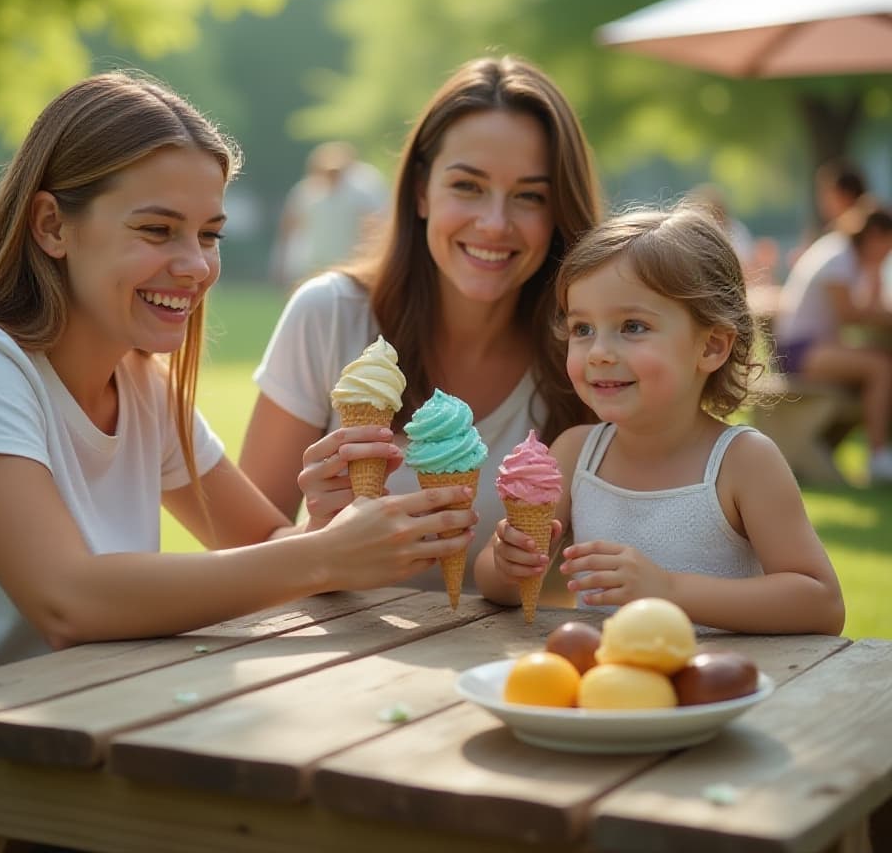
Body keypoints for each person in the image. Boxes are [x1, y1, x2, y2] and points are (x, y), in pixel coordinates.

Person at [0, 72, 478, 853]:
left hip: (62, 763)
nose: (195, 265)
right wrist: (323, 555)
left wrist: (326, 527)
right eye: (158, 230)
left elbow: (264, 548)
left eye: (209, 234)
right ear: (52, 225)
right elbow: (67, 601)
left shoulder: (140, 383)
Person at [241, 55, 603, 595]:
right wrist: (317, 536)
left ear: (559, 213)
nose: (494, 223)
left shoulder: (594, 352)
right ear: (420, 190)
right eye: (468, 186)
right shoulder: (329, 315)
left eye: (530, 196)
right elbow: (242, 557)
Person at [479, 203, 845, 635]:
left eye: (633, 326)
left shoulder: (742, 462)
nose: (599, 352)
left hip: (717, 676)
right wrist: (507, 562)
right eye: (583, 329)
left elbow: (821, 603)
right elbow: (499, 588)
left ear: (711, 346)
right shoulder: (576, 453)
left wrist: (668, 589)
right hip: (609, 675)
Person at [774, 200, 892, 483]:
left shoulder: (850, 257)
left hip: (813, 348)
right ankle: (877, 456)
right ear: (875, 235)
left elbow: (865, 310)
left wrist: (875, 273)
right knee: (880, 368)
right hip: (797, 352)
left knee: (880, 362)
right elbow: (850, 314)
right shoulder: (839, 256)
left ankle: (878, 452)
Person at [270, 140, 389, 289]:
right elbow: (289, 226)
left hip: (348, 264)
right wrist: (282, 261)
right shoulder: (306, 192)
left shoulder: (360, 195)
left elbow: (372, 228)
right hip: (314, 264)